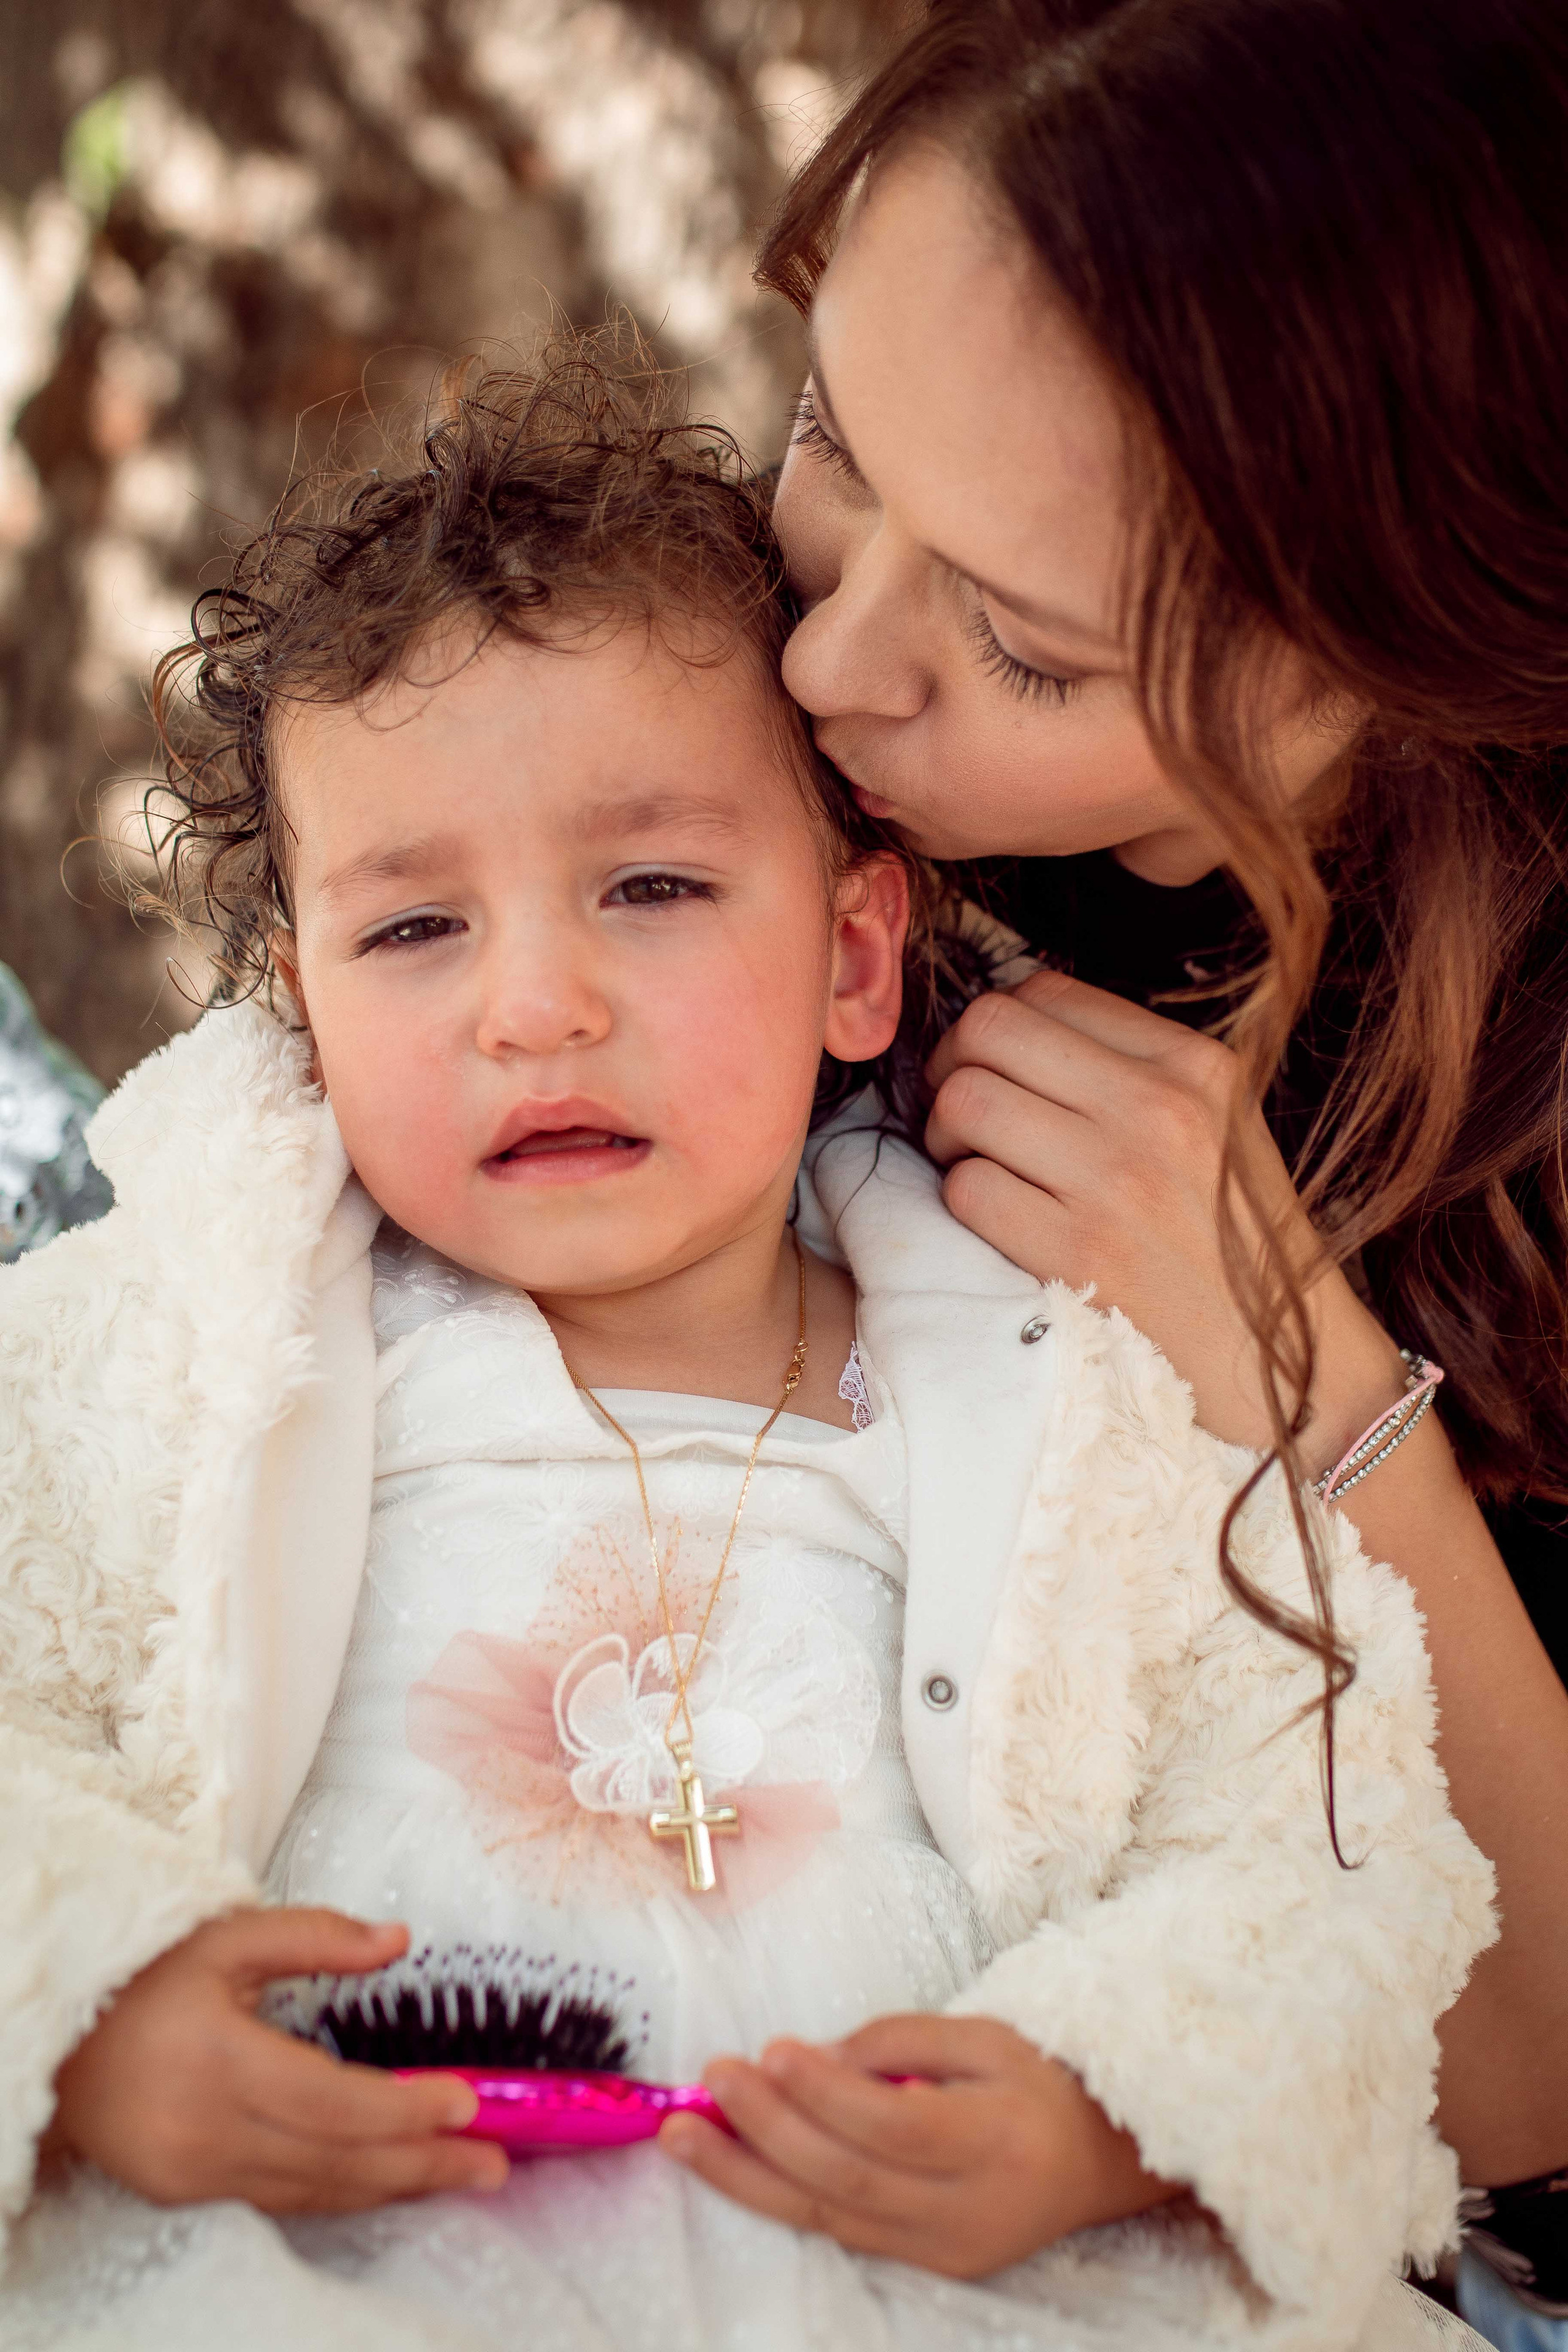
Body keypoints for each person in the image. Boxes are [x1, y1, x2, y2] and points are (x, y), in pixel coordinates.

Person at [0, 339, 1490, 2352]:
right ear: (301, 1001)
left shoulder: (1071, 1394)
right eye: (414, 930)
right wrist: (89, 2011)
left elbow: (1320, 1827)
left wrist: (1117, 2105)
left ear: (857, 953)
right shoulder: (172, 1353)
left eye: (653, 884)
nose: (534, 1005)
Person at [754, 0, 1568, 2340]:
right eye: (832, 429)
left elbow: (1537, 2097)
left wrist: (1296, 1367)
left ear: (1408, 651)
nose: (823, 658)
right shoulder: (811, 630)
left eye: (1017, 646)